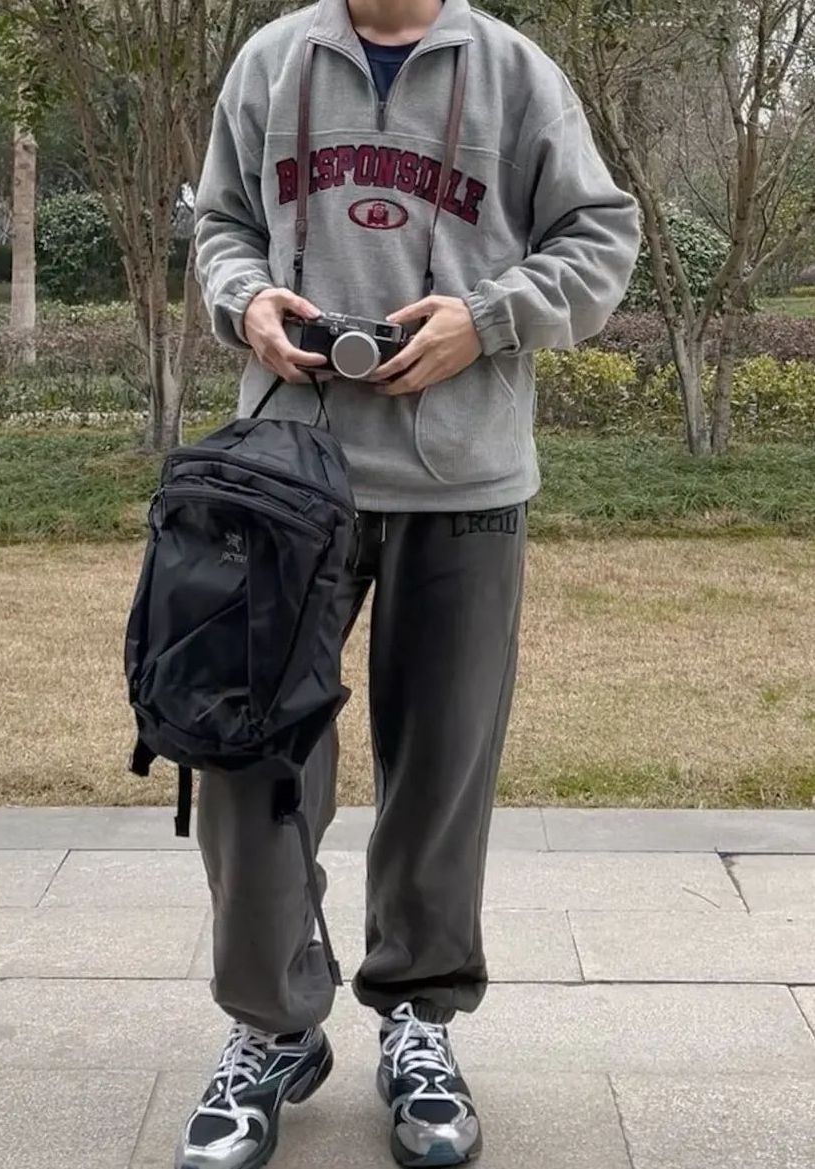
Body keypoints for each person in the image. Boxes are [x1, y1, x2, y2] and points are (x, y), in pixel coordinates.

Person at [183, 1, 639, 1166]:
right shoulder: (270, 61)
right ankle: (272, 1023)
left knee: (440, 770)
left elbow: (601, 235)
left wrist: (487, 320)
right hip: (284, 476)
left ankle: (419, 1019)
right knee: (248, 755)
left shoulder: (517, 73)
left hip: (465, 480)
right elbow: (221, 223)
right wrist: (245, 299)